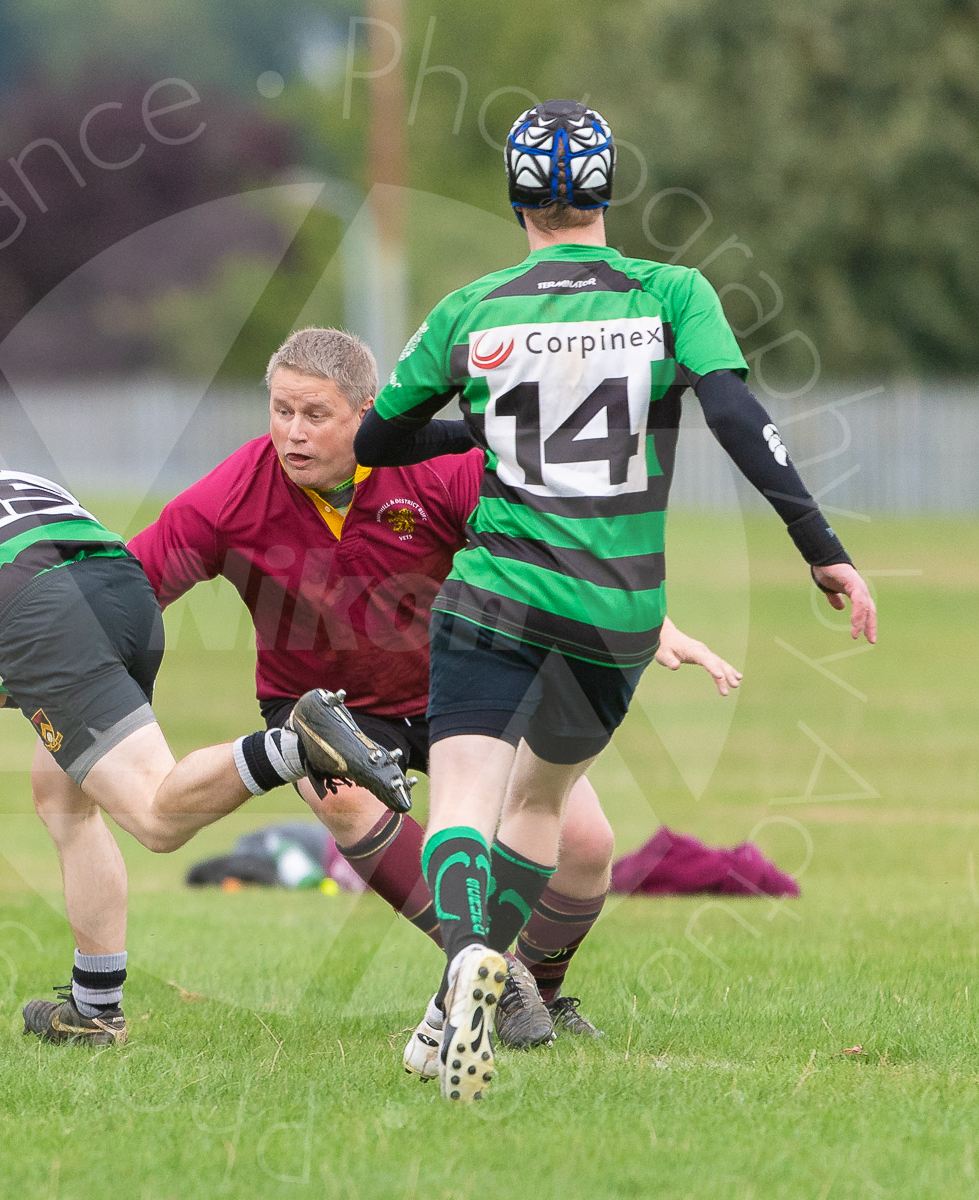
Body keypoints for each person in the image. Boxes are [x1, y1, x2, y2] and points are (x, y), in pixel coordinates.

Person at [0, 329, 740, 1055]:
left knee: (587, 847)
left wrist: (650, 622)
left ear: (366, 415)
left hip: (462, 685)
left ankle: (541, 993)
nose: (293, 433)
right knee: (338, 801)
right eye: (281, 410)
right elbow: (122, 591)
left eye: (316, 415)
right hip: (327, 707)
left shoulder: (439, 472)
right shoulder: (233, 494)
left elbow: (554, 537)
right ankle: (491, 967)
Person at [354, 99, 878, 1103]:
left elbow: (378, 443)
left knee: (464, 798)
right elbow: (736, 415)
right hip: (619, 612)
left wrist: (475, 436)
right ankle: (443, 1015)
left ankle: (462, 960)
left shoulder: (472, 309)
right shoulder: (674, 293)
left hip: (498, 592)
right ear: (606, 193)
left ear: (517, 201)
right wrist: (822, 551)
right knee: (543, 803)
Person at [0, 437, 412, 1045]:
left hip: (43, 615)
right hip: (128, 593)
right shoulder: (2, 479)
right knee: (61, 796)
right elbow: (30, 569)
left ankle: (295, 744)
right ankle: (94, 1008)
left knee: (156, 817)